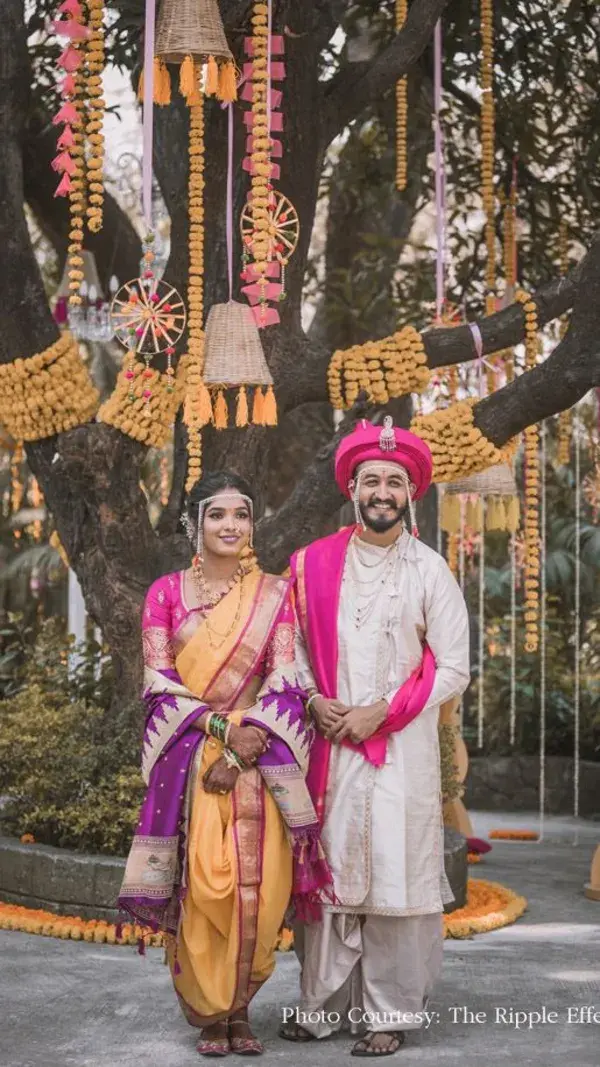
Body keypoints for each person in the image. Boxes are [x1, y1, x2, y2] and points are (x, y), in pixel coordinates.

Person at [119, 471, 333, 1058]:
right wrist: (219, 730)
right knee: (204, 887)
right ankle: (211, 1012)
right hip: (190, 756)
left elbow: (288, 677)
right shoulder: (164, 593)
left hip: (260, 756)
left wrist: (249, 744)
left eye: (241, 515)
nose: (231, 526)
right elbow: (159, 684)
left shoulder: (274, 593)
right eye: (218, 515)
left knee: (261, 894)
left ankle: (241, 1010)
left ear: (252, 524)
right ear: (195, 523)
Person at [281, 417, 470, 1057]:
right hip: (329, 747)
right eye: (371, 480)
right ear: (353, 490)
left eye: (394, 481)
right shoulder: (310, 564)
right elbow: (290, 649)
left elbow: (453, 667)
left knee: (396, 878)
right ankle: (321, 1008)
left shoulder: (430, 570)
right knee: (330, 875)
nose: (382, 490)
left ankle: (392, 1014)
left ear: (409, 493)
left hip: (402, 752)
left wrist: (380, 713)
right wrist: (312, 699)